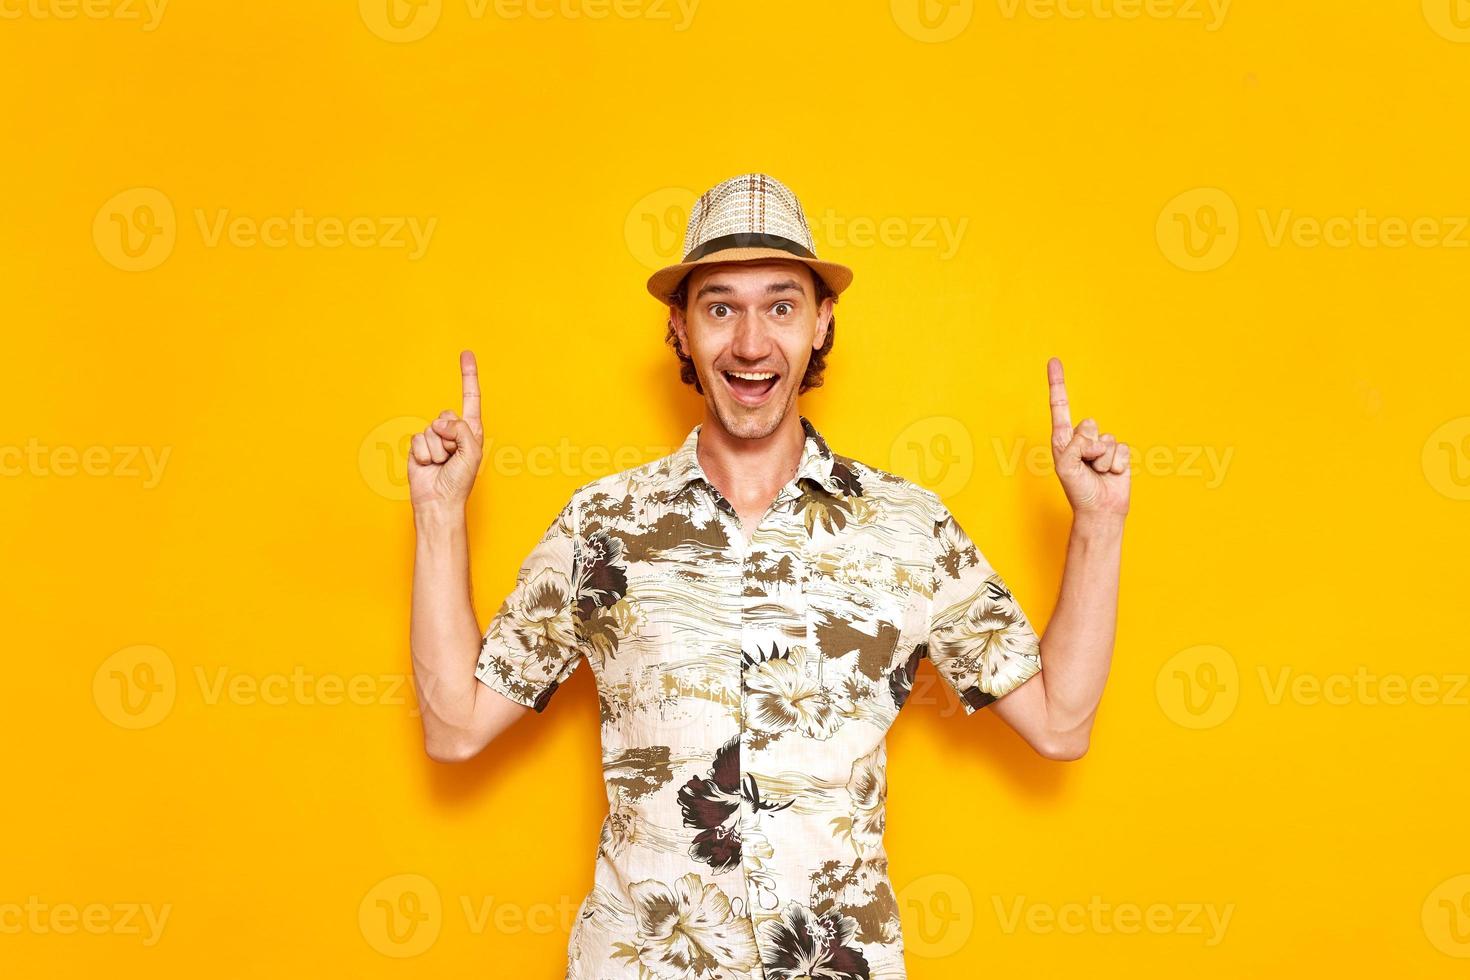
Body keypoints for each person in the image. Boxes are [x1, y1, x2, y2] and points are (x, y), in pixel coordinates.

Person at [407, 173, 1127, 979]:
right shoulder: (602, 524)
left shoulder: (908, 528)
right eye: (720, 307)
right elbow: (456, 726)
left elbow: (1061, 724)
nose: (751, 343)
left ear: (822, 323)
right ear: (680, 330)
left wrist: (1098, 525)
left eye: (781, 306)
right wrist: (440, 514)